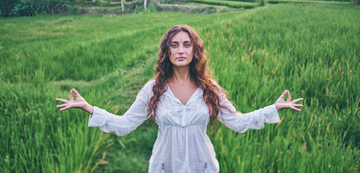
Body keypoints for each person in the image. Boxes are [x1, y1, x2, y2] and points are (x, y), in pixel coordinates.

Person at [56, 25, 303, 173]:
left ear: (195, 51)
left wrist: (273, 108)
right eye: (175, 45)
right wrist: (88, 107)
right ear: (167, 52)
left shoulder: (210, 89)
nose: (181, 50)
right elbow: (124, 125)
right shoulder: (153, 89)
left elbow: (237, 122)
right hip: (165, 166)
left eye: (187, 44)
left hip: (202, 166)